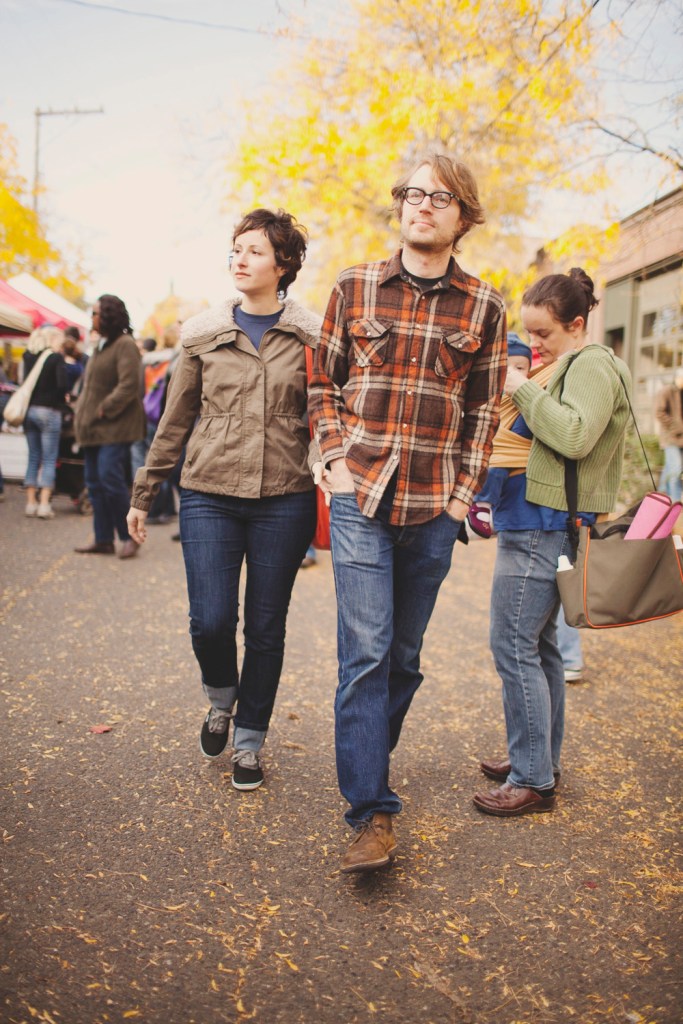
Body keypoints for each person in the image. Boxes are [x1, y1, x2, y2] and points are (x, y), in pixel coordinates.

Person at [308, 152, 507, 873]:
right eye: (413, 194)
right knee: (363, 652)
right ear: (400, 206)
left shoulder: (484, 305)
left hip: (432, 505)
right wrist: (332, 460)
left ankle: (364, 752)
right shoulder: (353, 285)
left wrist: (461, 497)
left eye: (440, 197)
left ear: (462, 216)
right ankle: (370, 811)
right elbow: (320, 383)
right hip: (360, 493)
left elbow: (486, 408)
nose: (422, 205)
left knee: (402, 658)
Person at [127, 208, 319, 791]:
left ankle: (250, 740)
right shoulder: (202, 336)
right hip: (209, 492)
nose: (240, 258)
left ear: (283, 265)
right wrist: (144, 492)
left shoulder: (312, 337)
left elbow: (330, 416)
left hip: (285, 498)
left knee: (266, 627)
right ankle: (220, 699)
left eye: (255, 251)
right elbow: (175, 418)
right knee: (210, 621)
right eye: (236, 248)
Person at [474, 268, 631, 818]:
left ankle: (533, 778)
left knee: (512, 646)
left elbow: (572, 435)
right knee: (537, 649)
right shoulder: (567, 364)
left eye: (543, 335)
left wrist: (519, 388)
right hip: (533, 518)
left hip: (545, 523)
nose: (532, 345)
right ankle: (537, 757)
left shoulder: (590, 364)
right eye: (529, 333)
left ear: (578, 325)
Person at [467, 333, 587, 685]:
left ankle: (533, 742)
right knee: (542, 640)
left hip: (531, 521)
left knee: (514, 646)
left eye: (521, 367)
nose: (514, 375)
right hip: (540, 518)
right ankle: (547, 736)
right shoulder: (520, 402)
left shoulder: (536, 400)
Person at [74, 295, 146, 559]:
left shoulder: (125, 344)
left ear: (108, 316)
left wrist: (104, 407)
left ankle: (129, 536)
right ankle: (103, 539)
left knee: (109, 478)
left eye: (94, 313)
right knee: (93, 482)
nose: (91, 318)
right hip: (93, 427)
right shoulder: (100, 345)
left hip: (114, 426)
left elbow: (128, 386)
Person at [21, 325, 68, 519]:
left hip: (29, 410)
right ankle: (43, 504)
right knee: (49, 458)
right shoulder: (55, 358)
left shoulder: (27, 356)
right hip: (49, 411)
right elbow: (62, 385)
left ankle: (30, 503)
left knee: (33, 457)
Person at [655, 371, 683, 504]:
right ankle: (676, 501)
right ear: (678, 377)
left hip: (681, 439)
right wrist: (674, 426)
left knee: (670, 468)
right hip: (671, 438)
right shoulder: (667, 391)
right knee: (676, 469)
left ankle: (661, 496)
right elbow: (659, 412)